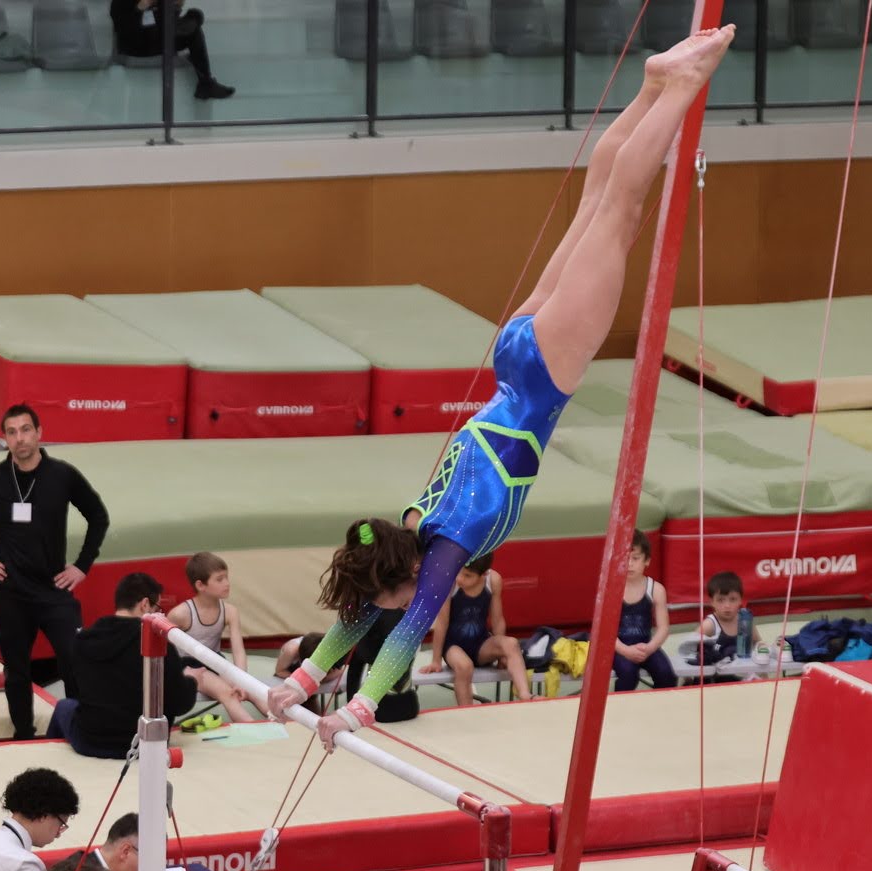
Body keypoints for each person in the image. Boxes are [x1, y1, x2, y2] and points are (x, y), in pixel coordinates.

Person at [266, 26, 737, 748]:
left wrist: (356, 709)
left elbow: (405, 632)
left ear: (401, 578)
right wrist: (299, 682)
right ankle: (650, 87)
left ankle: (676, 88)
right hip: (513, 356)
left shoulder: (445, 547)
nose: (390, 606)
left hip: (544, 372)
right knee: (596, 207)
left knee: (617, 210)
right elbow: (365, 613)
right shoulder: (410, 526)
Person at [0, 403, 111, 740]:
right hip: (10, 592)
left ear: (39, 433)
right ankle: (23, 733)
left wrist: (82, 565)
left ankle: (79, 727)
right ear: (5, 439)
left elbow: (98, 516)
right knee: (17, 670)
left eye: (26, 429)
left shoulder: (62, 475)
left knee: (73, 658)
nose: (20, 438)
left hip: (54, 590)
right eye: (12, 432)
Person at [52, 573, 197, 758]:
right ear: (145, 604)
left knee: (64, 706)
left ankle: (49, 756)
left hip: (90, 741)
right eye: (157, 609)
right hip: (146, 745)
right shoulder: (156, 644)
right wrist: (192, 681)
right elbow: (181, 703)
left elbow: (76, 689)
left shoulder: (83, 640)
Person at [426, 551, 531, 703]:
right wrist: (436, 660)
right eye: (459, 572)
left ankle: (525, 695)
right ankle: (467, 711)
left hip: (481, 645)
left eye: (467, 576)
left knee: (512, 643)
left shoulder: (493, 580)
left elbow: (497, 620)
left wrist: (501, 656)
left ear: (484, 574)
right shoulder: (450, 583)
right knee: (465, 666)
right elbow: (442, 622)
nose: (460, 578)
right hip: (453, 647)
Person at [166, 552, 258, 723]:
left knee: (254, 689)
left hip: (215, 661)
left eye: (227, 577)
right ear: (201, 585)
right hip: (189, 665)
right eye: (219, 579)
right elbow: (165, 652)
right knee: (228, 694)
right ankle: (259, 732)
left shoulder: (230, 611)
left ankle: (284, 725)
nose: (227, 583)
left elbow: (238, 650)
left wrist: (242, 679)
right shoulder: (180, 614)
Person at [109, 0, 234, 100]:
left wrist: (175, 6)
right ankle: (205, 84)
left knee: (195, 16)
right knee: (194, 32)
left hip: (155, 37)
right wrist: (141, 8)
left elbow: (166, 22)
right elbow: (123, 28)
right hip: (137, 45)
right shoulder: (121, 3)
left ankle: (203, 77)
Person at [612, 531, 676, 692]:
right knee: (628, 674)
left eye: (635, 558)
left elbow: (663, 628)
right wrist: (626, 651)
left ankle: (658, 705)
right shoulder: (611, 590)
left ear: (647, 560)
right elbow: (605, 632)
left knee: (666, 674)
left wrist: (650, 648)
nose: (629, 564)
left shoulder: (656, 589)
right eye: (625, 558)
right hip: (619, 647)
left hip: (646, 646)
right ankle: (620, 705)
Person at [698, 571, 756, 663]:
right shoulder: (708, 625)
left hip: (743, 670)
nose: (727, 605)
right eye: (720, 600)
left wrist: (766, 647)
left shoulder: (745, 622)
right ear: (712, 602)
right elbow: (690, 652)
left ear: (741, 600)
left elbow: (759, 644)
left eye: (732, 599)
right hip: (716, 672)